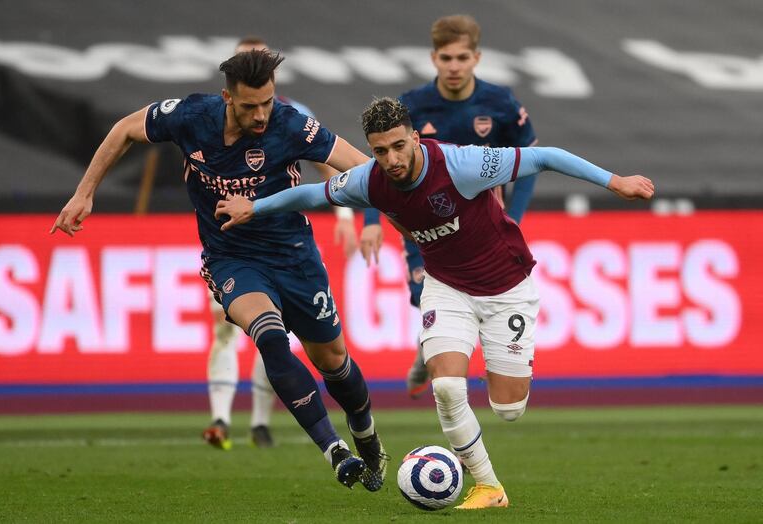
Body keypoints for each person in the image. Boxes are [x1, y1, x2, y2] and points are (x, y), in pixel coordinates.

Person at [214, 97, 654, 509]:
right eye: (380, 150)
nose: (392, 160)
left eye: (399, 147)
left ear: (416, 138)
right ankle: (488, 485)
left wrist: (615, 181)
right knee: (446, 388)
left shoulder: (463, 164)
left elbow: (545, 156)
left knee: (508, 409)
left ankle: (450, 351)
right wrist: (254, 206)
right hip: (447, 286)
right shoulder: (370, 179)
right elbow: (311, 195)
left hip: (507, 288)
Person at [50, 50, 387, 492]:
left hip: (294, 256)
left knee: (334, 362)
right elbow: (125, 129)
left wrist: (375, 218)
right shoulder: (191, 116)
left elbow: (363, 168)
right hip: (232, 258)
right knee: (268, 334)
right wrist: (84, 193)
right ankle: (334, 450)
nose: (262, 114)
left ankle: (366, 436)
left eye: (267, 102)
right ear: (227, 98)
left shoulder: (290, 123)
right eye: (250, 106)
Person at [359, 15, 539, 398]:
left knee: (479, 294)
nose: (453, 67)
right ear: (433, 58)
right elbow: (377, 171)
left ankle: (439, 353)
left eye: (461, 58)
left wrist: (514, 220)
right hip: (424, 227)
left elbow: (530, 163)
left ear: (476, 57)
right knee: (423, 294)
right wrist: (371, 220)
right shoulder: (411, 107)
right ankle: (432, 351)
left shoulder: (501, 104)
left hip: (482, 227)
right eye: (446, 58)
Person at [201, 36, 358, 451]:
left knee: (272, 335)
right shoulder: (205, 119)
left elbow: (328, 160)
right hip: (229, 246)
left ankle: (258, 421)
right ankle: (219, 416)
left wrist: (344, 214)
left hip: (283, 245)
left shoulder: (293, 117)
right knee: (233, 328)